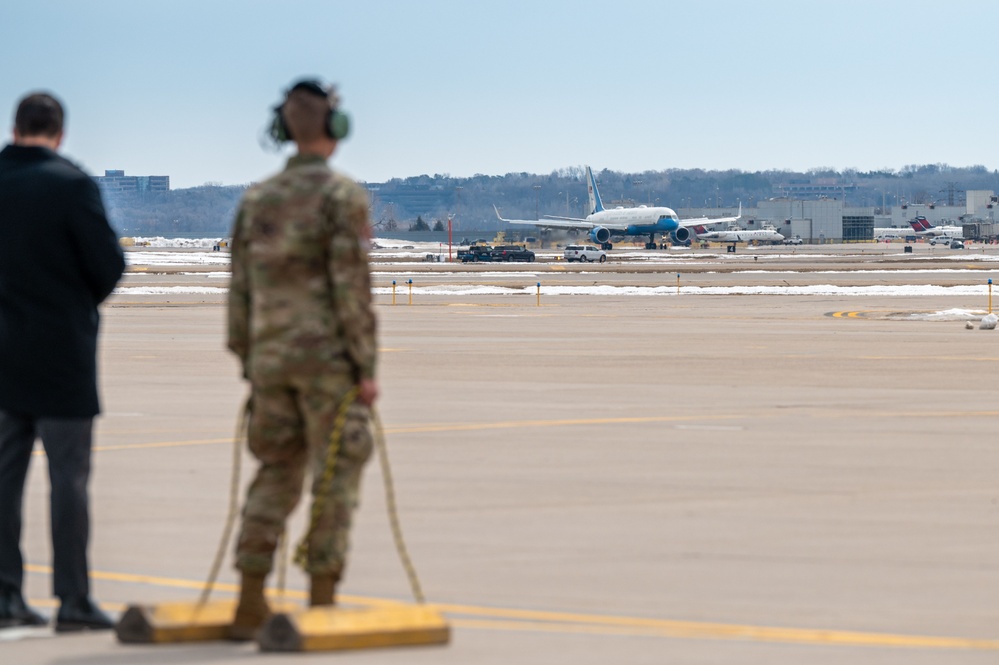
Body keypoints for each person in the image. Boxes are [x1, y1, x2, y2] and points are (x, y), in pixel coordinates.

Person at [226, 79, 378, 640]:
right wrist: (365, 368)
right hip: (327, 365)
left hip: (269, 361)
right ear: (335, 129)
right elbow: (351, 290)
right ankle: (320, 596)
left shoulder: (257, 199)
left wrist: (251, 360)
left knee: (276, 471)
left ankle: (249, 596)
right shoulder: (341, 197)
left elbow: (239, 290)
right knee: (338, 472)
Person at [0, 92, 125, 631]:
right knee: (68, 480)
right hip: (60, 354)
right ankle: (72, 600)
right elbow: (107, 266)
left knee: (4, 481)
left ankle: (5, 596)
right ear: (59, 132)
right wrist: (72, 304)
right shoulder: (72, 185)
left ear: (14, 127)